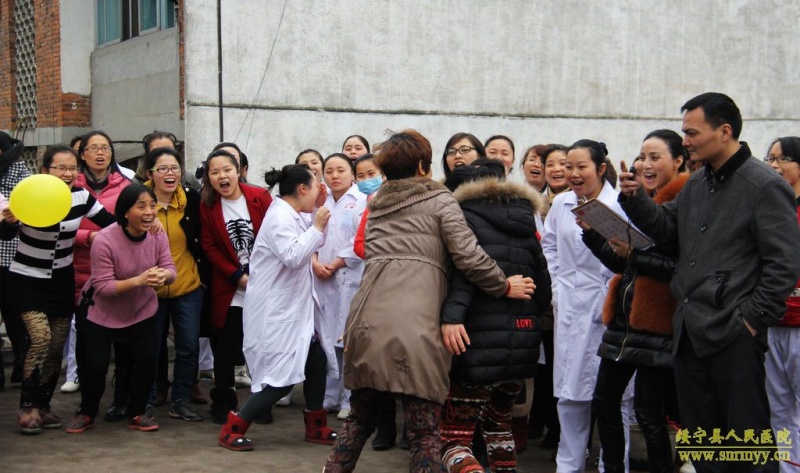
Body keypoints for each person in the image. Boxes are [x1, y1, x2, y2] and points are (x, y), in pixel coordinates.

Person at [323, 129, 535, 473]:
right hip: (416, 322)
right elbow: (468, 257)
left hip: (366, 318)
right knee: (424, 431)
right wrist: (502, 285)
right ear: (424, 166)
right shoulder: (441, 201)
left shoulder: (375, 204)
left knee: (359, 419)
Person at [618, 92, 800, 473]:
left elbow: (783, 264)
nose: (685, 141)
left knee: (747, 446)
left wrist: (750, 320)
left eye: (691, 132)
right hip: (690, 331)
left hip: (734, 334)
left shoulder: (765, 185)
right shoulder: (697, 182)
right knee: (702, 443)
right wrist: (634, 199)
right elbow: (667, 229)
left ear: (724, 131)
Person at [580, 130, 688, 473]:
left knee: (649, 412)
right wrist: (593, 233)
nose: (644, 164)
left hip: (657, 322)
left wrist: (635, 256)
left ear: (679, 161)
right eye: (642, 157)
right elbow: (625, 265)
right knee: (604, 402)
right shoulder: (645, 202)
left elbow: (682, 270)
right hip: (624, 322)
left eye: (655, 157)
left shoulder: (685, 200)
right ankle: (613, 467)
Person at [439, 158, 552, 473]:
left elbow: (463, 279)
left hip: (474, 344)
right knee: (498, 425)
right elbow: (543, 293)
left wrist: (451, 318)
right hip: (522, 345)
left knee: (454, 439)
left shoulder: (463, 220)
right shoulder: (526, 223)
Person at [217, 163, 338, 451]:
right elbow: (294, 256)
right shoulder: (279, 217)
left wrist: (316, 217)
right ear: (303, 189)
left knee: (316, 361)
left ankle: (316, 425)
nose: (321, 189)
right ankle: (233, 427)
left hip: (294, 311)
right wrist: (317, 225)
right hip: (277, 312)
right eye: (316, 184)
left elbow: (310, 243)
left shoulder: (293, 214)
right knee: (280, 380)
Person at [1, 145, 115, 434]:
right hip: (26, 279)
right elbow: (5, 234)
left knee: (55, 348)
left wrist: (141, 225)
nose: (67, 173)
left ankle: (44, 405)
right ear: (45, 170)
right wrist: (9, 221)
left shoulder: (82, 196)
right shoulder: (29, 193)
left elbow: (111, 224)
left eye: (72, 168)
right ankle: (27, 407)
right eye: (60, 168)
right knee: (40, 340)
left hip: (62, 281)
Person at [542, 139, 632, 473]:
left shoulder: (618, 206)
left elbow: (626, 257)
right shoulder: (561, 203)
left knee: (614, 399)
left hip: (608, 311)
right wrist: (556, 288)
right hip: (568, 307)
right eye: (569, 167)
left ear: (601, 169)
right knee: (570, 395)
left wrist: (609, 296)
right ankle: (569, 465)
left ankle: (613, 466)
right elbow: (549, 247)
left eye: (582, 167)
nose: (573, 173)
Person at [64, 184, 176, 433]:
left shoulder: (157, 234)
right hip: (99, 312)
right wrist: (140, 280)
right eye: (141, 206)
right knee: (95, 366)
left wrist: (164, 276)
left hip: (141, 309)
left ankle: (137, 412)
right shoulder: (105, 239)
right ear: (125, 212)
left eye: (152, 206)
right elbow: (103, 286)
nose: (149, 212)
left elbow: (170, 267)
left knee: (146, 360)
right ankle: (86, 412)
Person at [199, 149, 272, 423]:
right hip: (230, 285)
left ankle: (261, 401)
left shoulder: (259, 197)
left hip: (264, 281)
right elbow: (209, 246)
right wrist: (237, 276)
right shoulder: (208, 205)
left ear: (239, 170)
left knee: (261, 344)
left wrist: (259, 275)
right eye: (215, 172)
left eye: (227, 169)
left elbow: (274, 234)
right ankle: (223, 400)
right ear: (209, 177)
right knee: (226, 345)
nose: (222, 176)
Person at [71, 130, 135, 422]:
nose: (100, 153)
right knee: (88, 347)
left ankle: (121, 400)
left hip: (118, 274)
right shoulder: (70, 186)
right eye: (93, 148)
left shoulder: (127, 185)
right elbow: (55, 227)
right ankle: (88, 405)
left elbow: (133, 223)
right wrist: (88, 237)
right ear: (82, 154)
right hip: (78, 272)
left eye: (105, 148)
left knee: (124, 344)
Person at [143, 147, 209, 421]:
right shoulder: (140, 201)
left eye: (174, 168)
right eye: (162, 169)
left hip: (187, 286)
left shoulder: (192, 200)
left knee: (189, 346)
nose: (169, 174)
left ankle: (181, 400)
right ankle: (146, 400)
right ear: (150, 174)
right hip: (149, 289)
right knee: (150, 348)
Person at [314, 154, 366, 421]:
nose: (335, 176)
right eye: (330, 171)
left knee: (347, 340)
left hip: (348, 276)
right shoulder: (321, 202)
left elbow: (362, 239)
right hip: (323, 277)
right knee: (327, 338)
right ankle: (330, 395)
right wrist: (314, 262)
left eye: (341, 170)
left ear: (352, 174)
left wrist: (335, 263)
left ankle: (348, 398)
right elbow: (311, 235)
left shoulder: (361, 201)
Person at [762, 136, 800, 473]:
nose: (773, 165)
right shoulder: (767, 208)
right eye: (769, 158)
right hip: (772, 320)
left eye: (782, 158)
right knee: (779, 407)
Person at [0, 131, 31, 389]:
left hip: (12, 256)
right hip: (9, 255)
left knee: (15, 316)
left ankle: (22, 364)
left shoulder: (21, 174)